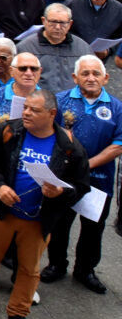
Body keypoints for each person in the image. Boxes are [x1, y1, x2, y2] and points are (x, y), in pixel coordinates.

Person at [0, 89, 90, 319]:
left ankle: (18, 314)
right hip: (2, 211)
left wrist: (59, 193)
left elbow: (80, 186)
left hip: (38, 219)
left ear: (52, 114)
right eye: (25, 108)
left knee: (29, 269)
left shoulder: (68, 146)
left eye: (34, 110)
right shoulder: (9, 132)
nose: (26, 113)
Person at [44, 56, 122, 293]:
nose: (91, 78)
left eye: (96, 74)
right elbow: (47, 134)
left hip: (99, 179)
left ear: (105, 78)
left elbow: (118, 145)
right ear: (74, 77)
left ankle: (85, 270)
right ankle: (57, 265)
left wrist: (86, 166)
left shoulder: (116, 108)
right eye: (85, 73)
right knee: (60, 223)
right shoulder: (60, 101)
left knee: (93, 227)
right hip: (64, 177)